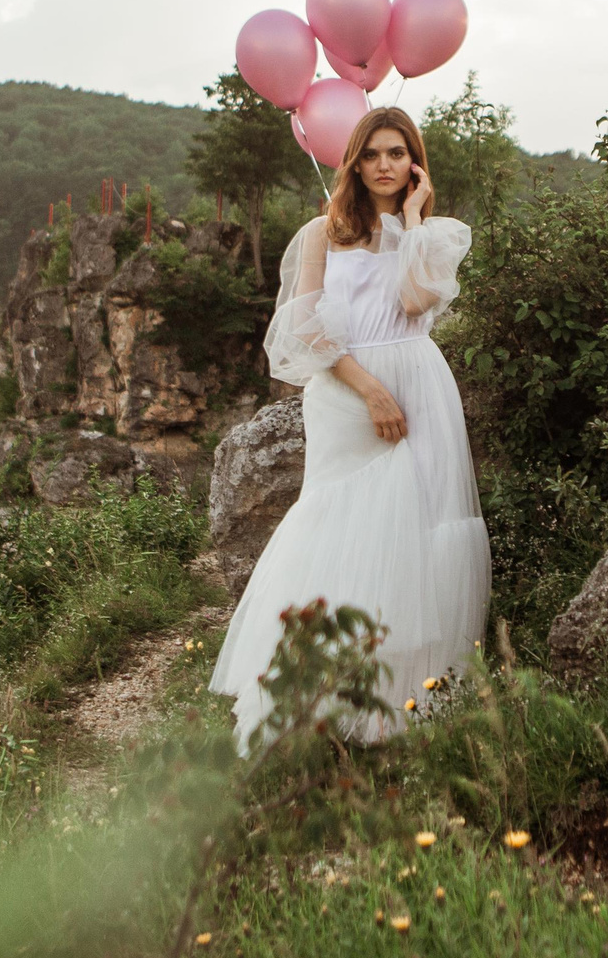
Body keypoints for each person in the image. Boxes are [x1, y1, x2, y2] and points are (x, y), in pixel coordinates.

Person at [206, 105, 490, 751]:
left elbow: (416, 302)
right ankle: (314, 695)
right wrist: (369, 391)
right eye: (374, 153)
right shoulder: (321, 232)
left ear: (414, 162)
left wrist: (413, 221)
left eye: (398, 153)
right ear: (355, 161)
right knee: (337, 522)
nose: (386, 165)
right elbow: (308, 327)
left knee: (422, 530)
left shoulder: (430, 232)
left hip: (421, 383)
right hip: (348, 391)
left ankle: (403, 701)